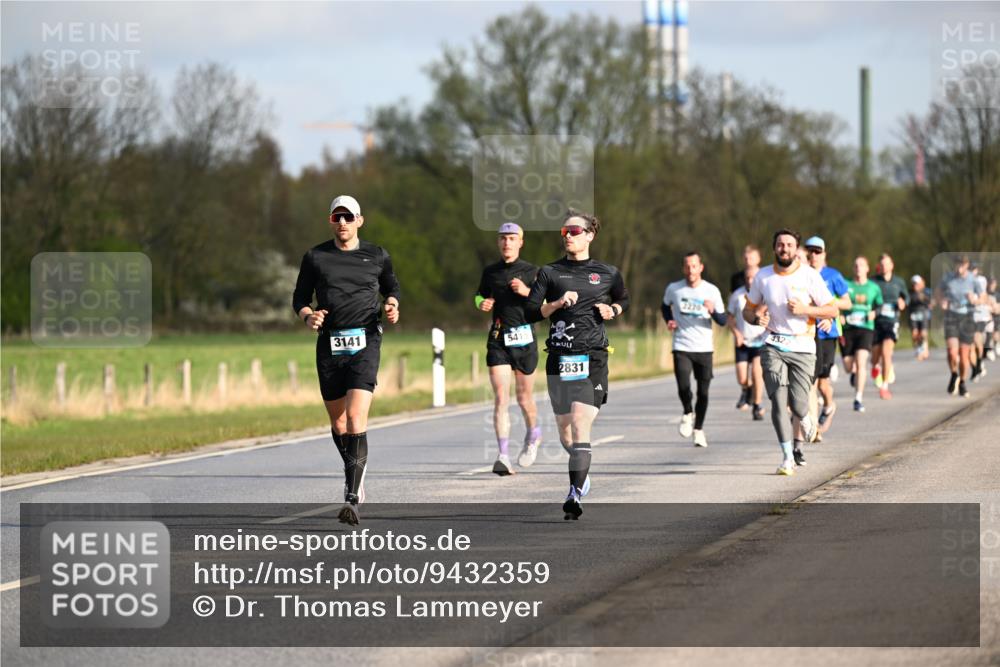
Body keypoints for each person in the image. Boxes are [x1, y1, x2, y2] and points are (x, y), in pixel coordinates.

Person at [292, 195, 401, 526]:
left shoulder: (377, 255)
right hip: (329, 345)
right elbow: (299, 298)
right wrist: (308, 316)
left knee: (355, 418)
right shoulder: (316, 257)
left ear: (359, 221)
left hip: (366, 340)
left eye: (348, 217)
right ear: (331, 221)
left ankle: (352, 497)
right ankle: (355, 469)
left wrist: (393, 304)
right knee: (339, 423)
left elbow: (392, 287)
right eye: (337, 217)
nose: (342, 222)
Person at [526, 209, 629, 519]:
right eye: (564, 232)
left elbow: (623, 299)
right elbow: (532, 311)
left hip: (593, 357)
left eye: (575, 231)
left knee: (581, 422)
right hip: (559, 358)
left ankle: (573, 494)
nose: (568, 236)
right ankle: (581, 469)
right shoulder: (549, 273)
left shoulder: (608, 272)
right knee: (566, 433)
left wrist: (614, 310)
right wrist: (557, 303)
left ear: (589, 235)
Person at [743, 229, 837, 475]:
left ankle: (806, 416)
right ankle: (787, 457)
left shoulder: (809, 276)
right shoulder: (763, 277)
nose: (784, 249)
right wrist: (756, 318)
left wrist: (806, 309)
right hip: (773, 344)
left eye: (789, 245)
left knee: (798, 403)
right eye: (780, 244)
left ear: (797, 249)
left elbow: (832, 310)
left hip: (804, 347)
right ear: (774, 248)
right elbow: (748, 309)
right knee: (777, 401)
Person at [475, 222, 541, 475]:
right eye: (503, 238)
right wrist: (482, 302)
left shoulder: (533, 271)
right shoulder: (490, 272)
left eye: (512, 238)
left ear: (520, 242)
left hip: (525, 340)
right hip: (499, 339)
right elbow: (478, 295)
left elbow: (545, 303)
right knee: (501, 398)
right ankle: (503, 455)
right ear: (498, 242)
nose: (507, 243)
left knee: (524, 399)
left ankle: (533, 434)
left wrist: (526, 292)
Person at [662, 252, 728, 447]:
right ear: (683, 268)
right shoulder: (674, 288)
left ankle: (698, 429)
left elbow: (723, 321)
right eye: (687, 266)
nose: (691, 270)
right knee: (683, 385)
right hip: (681, 345)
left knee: (704, 392)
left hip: (704, 348)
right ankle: (687, 412)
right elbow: (665, 306)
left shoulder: (712, 291)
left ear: (701, 267)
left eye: (694, 266)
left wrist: (713, 310)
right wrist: (669, 320)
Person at [803, 237, 851, 435]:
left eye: (817, 251)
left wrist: (827, 307)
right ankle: (812, 426)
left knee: (822, 382)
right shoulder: (800, 275)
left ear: (824, 254)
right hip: (806, 334)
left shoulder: (833, 275)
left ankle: (829, 405)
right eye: (810, 251)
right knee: (810, 382)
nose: (813, 255)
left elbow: (847, 303)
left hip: (827, 333)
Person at [841, 256, 882, 413]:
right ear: (853, 269)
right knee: (847, 365)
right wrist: (841, 315)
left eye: (861, 265)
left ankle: (858, 398)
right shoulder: (846, 285)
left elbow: (879, 305)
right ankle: (853, 375)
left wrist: (874, 313)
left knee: (862, 361)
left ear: (867, 269)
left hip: (866, 328)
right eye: (856, 265)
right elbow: (836, 302)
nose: (858, 268)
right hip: (848, 329)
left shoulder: (873, 287)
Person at [727, 265, 767, 421]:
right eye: (747, 278)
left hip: (760, 341)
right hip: (743, 341)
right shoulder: (737, 295)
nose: (750, 281)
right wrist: (736, 333)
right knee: (742, 378)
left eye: (753, 278)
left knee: (757, 373)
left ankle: (757, 405)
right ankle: (747, 389)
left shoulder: (765, 294)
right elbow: (729, 317)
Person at [939, 256, 983, 398]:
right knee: (952, 352)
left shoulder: (973, 280)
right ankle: (954, 374)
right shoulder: (948, 278)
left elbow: (984, 297)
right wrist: (942, 301)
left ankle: (962, 382)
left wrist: (975, 299)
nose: (958, 268)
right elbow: (938, 292)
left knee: (964, 356)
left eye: (961, 265)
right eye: (956, 265)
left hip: (967, 317)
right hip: (951, 316)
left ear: (966, 265)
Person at [871, 253, 909, 399]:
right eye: (882, 264)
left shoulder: (898, 282)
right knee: (875, 355)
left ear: (892, 265)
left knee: (887, 353)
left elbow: (907, 297)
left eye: (887, 263)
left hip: (892, 321)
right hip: (875, 322)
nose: (884, 266)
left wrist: (903, 302)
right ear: (879, 266)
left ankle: (885, 386)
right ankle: (875, 367)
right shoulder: (873, 282)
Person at [971, 265, 991, 382]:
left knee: (976, 339)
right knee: (971, 345)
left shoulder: (981, 280)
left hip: (980, 315)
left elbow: (983, 295)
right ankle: (977, 367)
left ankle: (979, 363)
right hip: (969, 316)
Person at [908, 275, 933, 361]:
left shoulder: (926, 292)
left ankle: (924, 349)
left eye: (917, 284)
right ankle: (918, 349)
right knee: (914, 333)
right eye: (914, 284)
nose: (915, 286)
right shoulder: (910, 293)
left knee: (923, 333)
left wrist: (925, 299)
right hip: (913, 314)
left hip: (923, 313)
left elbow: (932, 303)